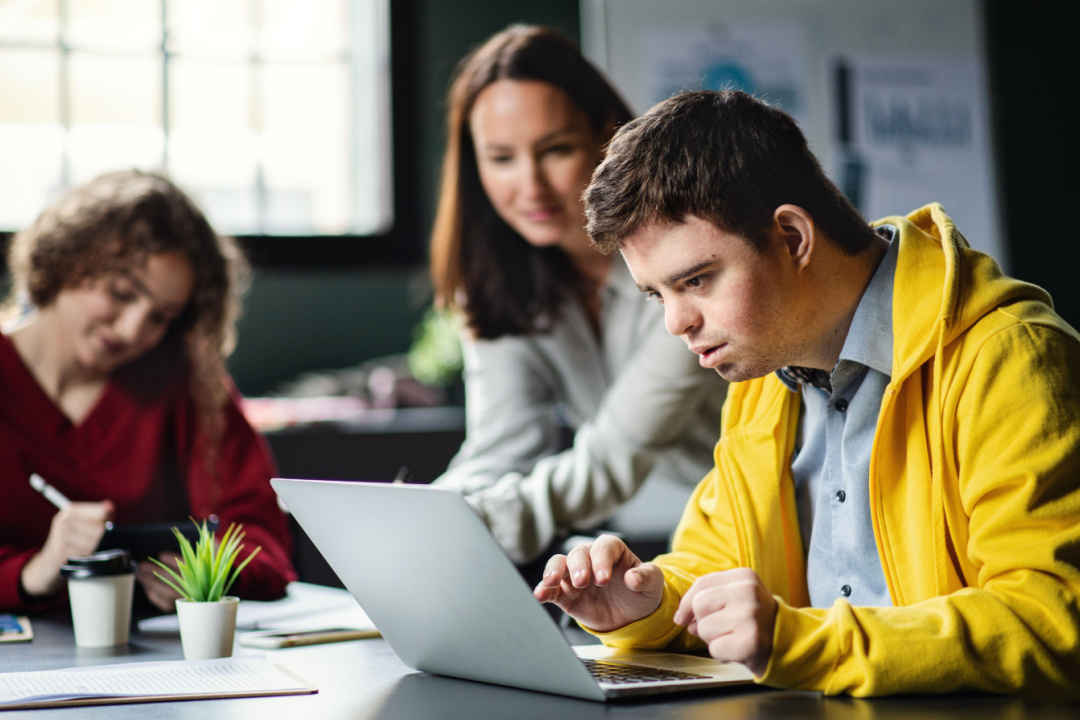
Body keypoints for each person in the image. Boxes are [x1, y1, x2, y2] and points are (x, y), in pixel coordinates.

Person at [535, 90, 1080, 700]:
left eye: (696, 280)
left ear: (793, 237)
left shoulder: (1010, 356)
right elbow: (714, 562)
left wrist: (800, 642)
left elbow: (1054, 621)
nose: (676, 322)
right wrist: (646, 604)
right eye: (658, 294)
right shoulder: (766, 378)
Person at [429, 25, 727, 564]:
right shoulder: (499, 282)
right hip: (695, 538)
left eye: (556, 150)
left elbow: (614, 455)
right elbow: (499, 449)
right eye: (501, 159)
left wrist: (466, 528)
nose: (530, 186)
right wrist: (429, 516)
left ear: (609, 135)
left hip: (775, 519)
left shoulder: (683, 259)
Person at [0, 169, 296, 613]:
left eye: (161, 317)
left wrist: (200, 572)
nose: (134, 329)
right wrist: (33, 570)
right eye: (121, 293)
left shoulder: (187, 384)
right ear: (65, 260)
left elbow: (264, 543)